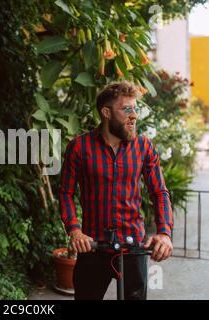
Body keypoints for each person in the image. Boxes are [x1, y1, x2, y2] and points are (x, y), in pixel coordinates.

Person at [59, 81, 173, 300]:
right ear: (106, 112)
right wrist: (74, 230)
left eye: (135, 108)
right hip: (92, 248)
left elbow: (159, 192)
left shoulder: (144, 147)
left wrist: (164, 232)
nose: (134, 115)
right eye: (126, 109)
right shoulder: (80, 147)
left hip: (133, 249)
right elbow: (65, 193)